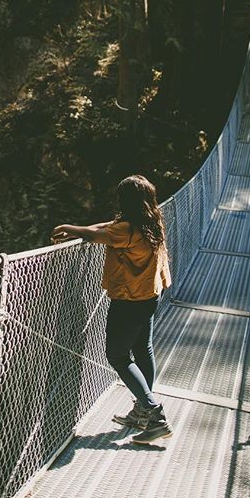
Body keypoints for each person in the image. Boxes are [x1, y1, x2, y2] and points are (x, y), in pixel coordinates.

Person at [51, 174, 173, 445]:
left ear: (126, 201)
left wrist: (71, 228)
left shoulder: (127, 230)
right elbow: (107, 228)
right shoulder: (153, 222)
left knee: (117, 355)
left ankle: (154, 414)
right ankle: (143, 408)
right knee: (143, 349)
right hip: (149, 296)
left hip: (128, 300)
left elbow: (100, 234)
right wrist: (80, 229)